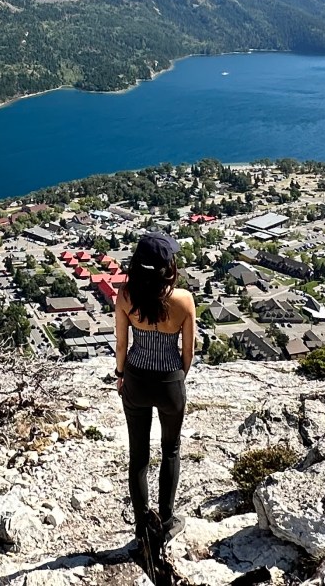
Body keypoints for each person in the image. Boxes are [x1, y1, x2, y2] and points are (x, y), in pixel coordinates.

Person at [113, 229, 196, 544]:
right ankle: (167, 519)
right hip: (170, 381)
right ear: (168, 268)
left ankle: (141, 526)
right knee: (171, 449)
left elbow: (122, 344)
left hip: (135, 377)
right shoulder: (183, 300)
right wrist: (177, 378)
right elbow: (188, 352)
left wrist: (120, 374)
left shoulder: (125, 295)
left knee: (139, 454)